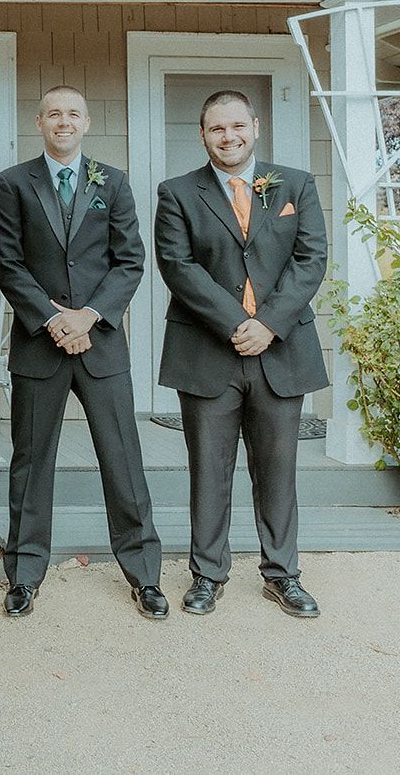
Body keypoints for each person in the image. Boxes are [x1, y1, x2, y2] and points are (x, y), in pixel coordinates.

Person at [0, 85, 166, 619]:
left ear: (86, 122)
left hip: (101, 342)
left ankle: (144, 574)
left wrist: (88, 316)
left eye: (72, 114)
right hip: (40, 344)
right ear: (39, 121)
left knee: (123, 460)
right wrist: (52, 318)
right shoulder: (13, 183)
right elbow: (7, 262)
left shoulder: (112, 181)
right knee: (31, 461)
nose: (63, 122)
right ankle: (23, 573)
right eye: (53, 114)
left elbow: (129, 260)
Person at [153, 90, 329, 618]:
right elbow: (179, 267)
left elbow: (310, 258)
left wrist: (268, 325)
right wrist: (237, 324)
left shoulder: (295, 184)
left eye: (237, 127)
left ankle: (283, 574)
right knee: (209, 469)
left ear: (255, 127)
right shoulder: (177, 192)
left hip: (281, 350)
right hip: (209, 350)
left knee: (278, 470)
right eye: (216, 129)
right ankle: (207, 574)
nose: (228, 137)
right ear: (202, 135)